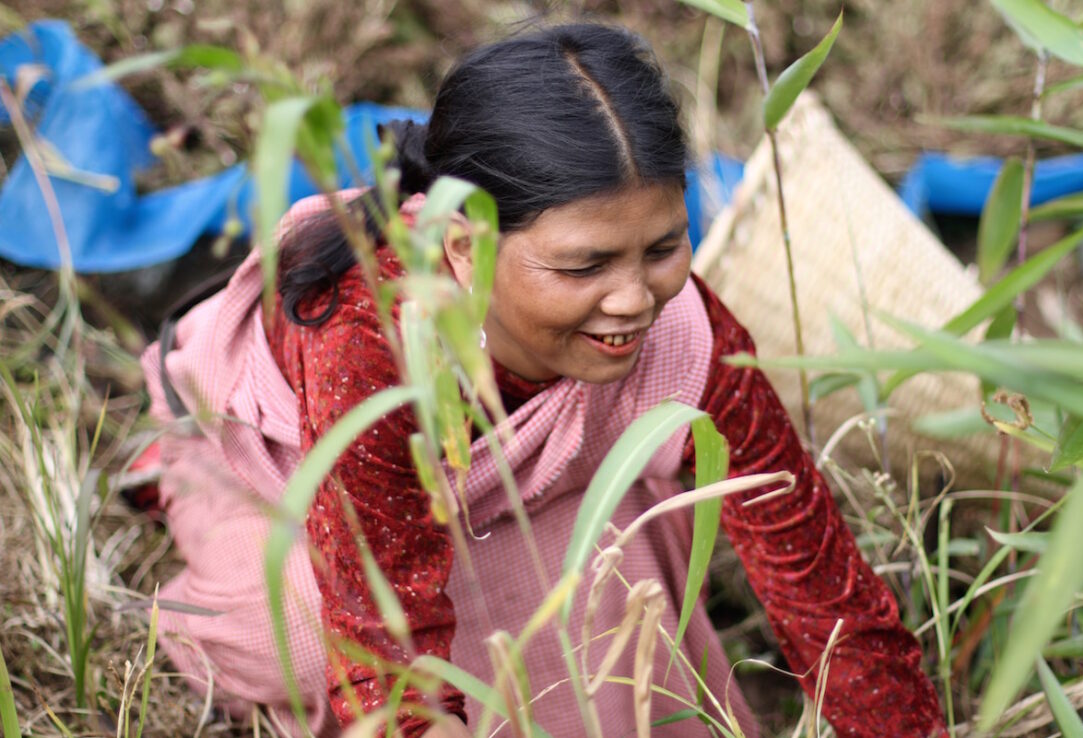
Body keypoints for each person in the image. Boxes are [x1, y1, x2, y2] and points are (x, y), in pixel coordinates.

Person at [140, 22, 948, 738]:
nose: (635, 300)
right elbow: (388, 665)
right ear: (466, 251)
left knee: (611, 620)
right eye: (584, 264)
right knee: (305, 636)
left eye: (663, 249)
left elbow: (823, 591)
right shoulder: (375, 338)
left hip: (498, 493)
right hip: (288, 477)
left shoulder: (685, 329)